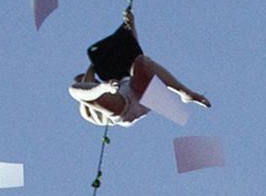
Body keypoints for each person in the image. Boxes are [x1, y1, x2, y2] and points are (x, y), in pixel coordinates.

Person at [69, 24, 212, 131]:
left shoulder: (116, 82)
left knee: (141, 61)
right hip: (125, 107)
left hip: (141, 92)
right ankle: (184, 93)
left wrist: (131, 26)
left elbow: (132, 56)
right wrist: (98, 81)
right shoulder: (87, 110)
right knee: (79, 91)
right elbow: (81, 91)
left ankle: (185, 93)